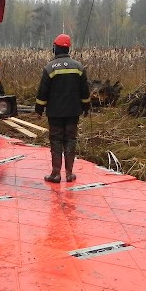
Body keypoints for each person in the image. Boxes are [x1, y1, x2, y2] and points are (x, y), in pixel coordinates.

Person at [34, 33, 91, 183]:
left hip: (55, 114)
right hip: (73, 112)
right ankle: (69, 174)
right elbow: (85, 91)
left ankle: (55, 174)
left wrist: (39, 110)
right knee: (71, 139)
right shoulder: (79, 67)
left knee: (56, 140)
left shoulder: (49, 68)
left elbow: (42, 92)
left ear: (55, 49)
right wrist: (86, 107)